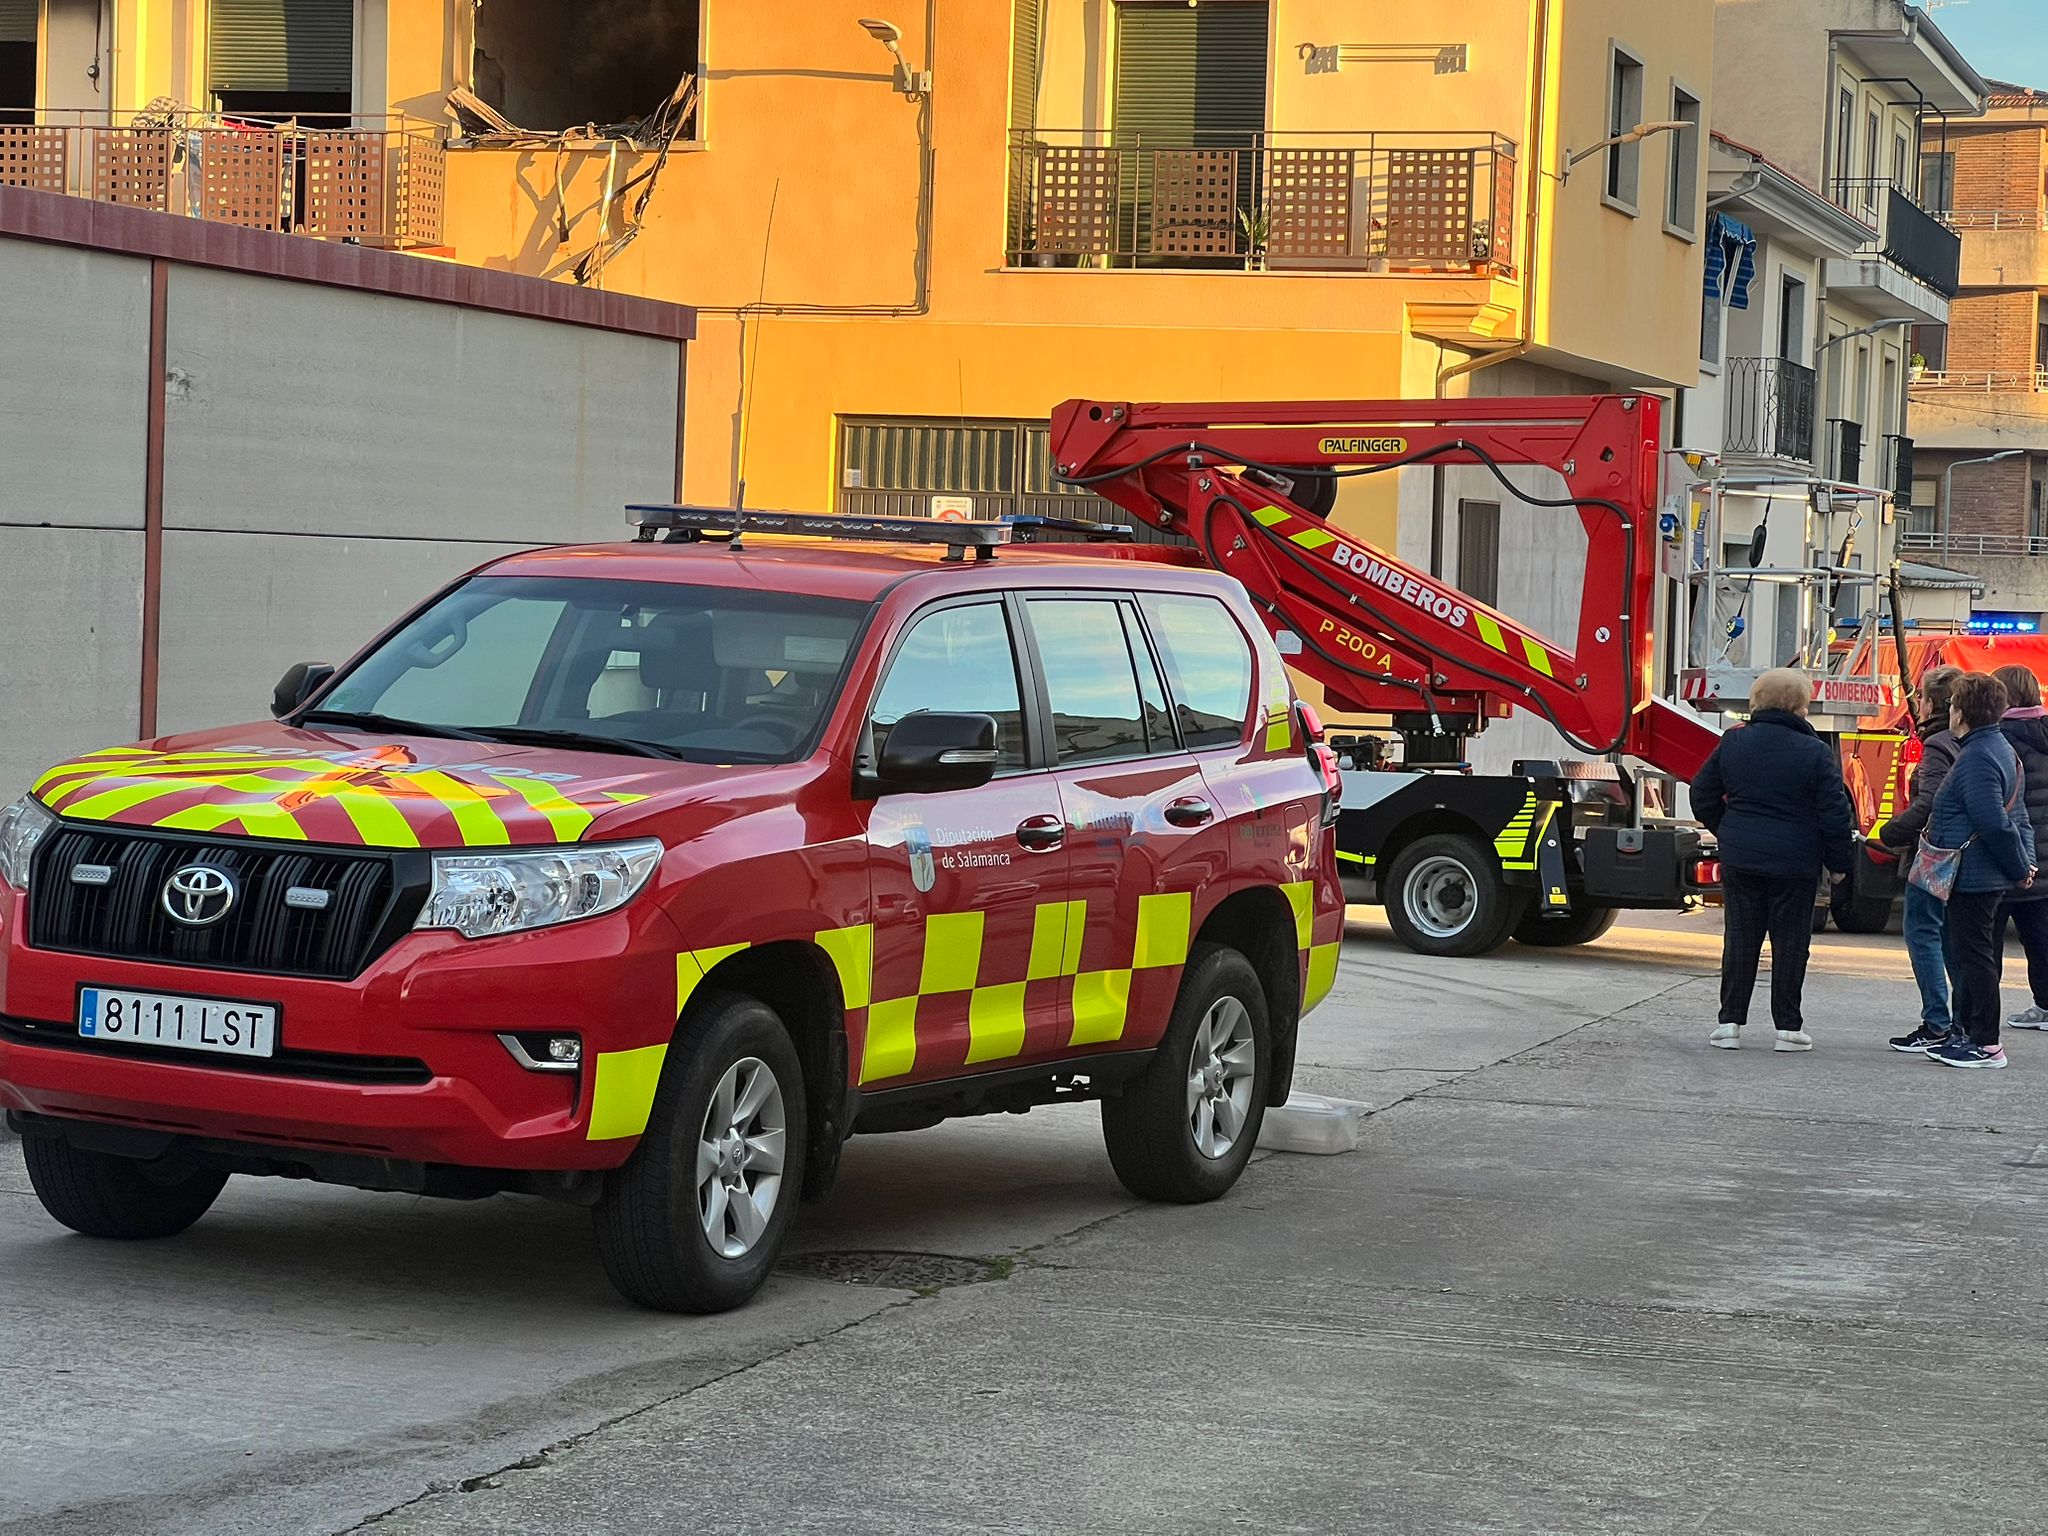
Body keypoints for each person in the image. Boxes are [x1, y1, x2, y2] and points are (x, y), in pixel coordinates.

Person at [1691, 668, 1857, 1051]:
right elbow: (1835, 814)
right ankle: (1787, 1028)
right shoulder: (1815, 752)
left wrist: (1729, 831)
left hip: (1742, 859)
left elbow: (1702, 794)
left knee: (1740, 939)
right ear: (1800, 705)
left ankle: (1729, 1024)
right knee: (1791, 943)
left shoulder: (1733, 743)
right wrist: (1839, 863)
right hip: (1796, 863)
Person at [1923, 672, 2035, 1069]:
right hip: (1983, 873)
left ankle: (1986, 1043)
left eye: (1952, 704)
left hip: (1973, 874)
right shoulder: (2000, 748)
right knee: (1976, 955)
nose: (1950, 710)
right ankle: (1969, 1034)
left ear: (1960, 712)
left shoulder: (1977, 757)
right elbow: (2017, 814)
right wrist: (2026, 863)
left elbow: (1994, 821)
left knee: (1976, 959)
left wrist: (2021, 866)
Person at [1880, 666, 1964, 1053]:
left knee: (1922, 931)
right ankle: (1962, 1022)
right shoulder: (1978, 740)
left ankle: (1936, 1022)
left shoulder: (1936, 744)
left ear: (1932, 703)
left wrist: (1891, 832)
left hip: (1936, 854)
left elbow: (1929, 802)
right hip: (1970, 854)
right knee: (1955, 939)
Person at [1993, 664, 2048, 1031]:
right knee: (2041, 937)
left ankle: (1976, 1018)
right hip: (2046, 859)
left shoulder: (2001, 739)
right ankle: (2045, 1006)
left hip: (2009, 855)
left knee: (1986, 942)